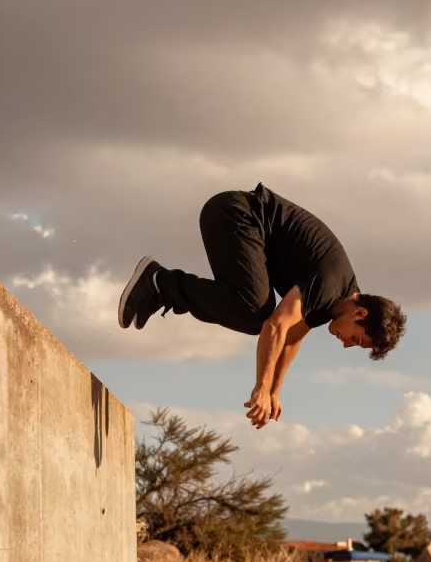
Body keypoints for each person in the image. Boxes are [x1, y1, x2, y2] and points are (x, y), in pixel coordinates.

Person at [118, 183, 405, 429]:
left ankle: (161, 287)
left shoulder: (334, 301)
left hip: (238, 221)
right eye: (355, 338)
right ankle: (160, 284)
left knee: (255, 312)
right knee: (256, 313)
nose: (345, 344)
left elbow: (291, 339)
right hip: (235, 214)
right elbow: (276, 325)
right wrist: (261, 388)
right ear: (360, 313)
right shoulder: (330, 286)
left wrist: (275, 391)